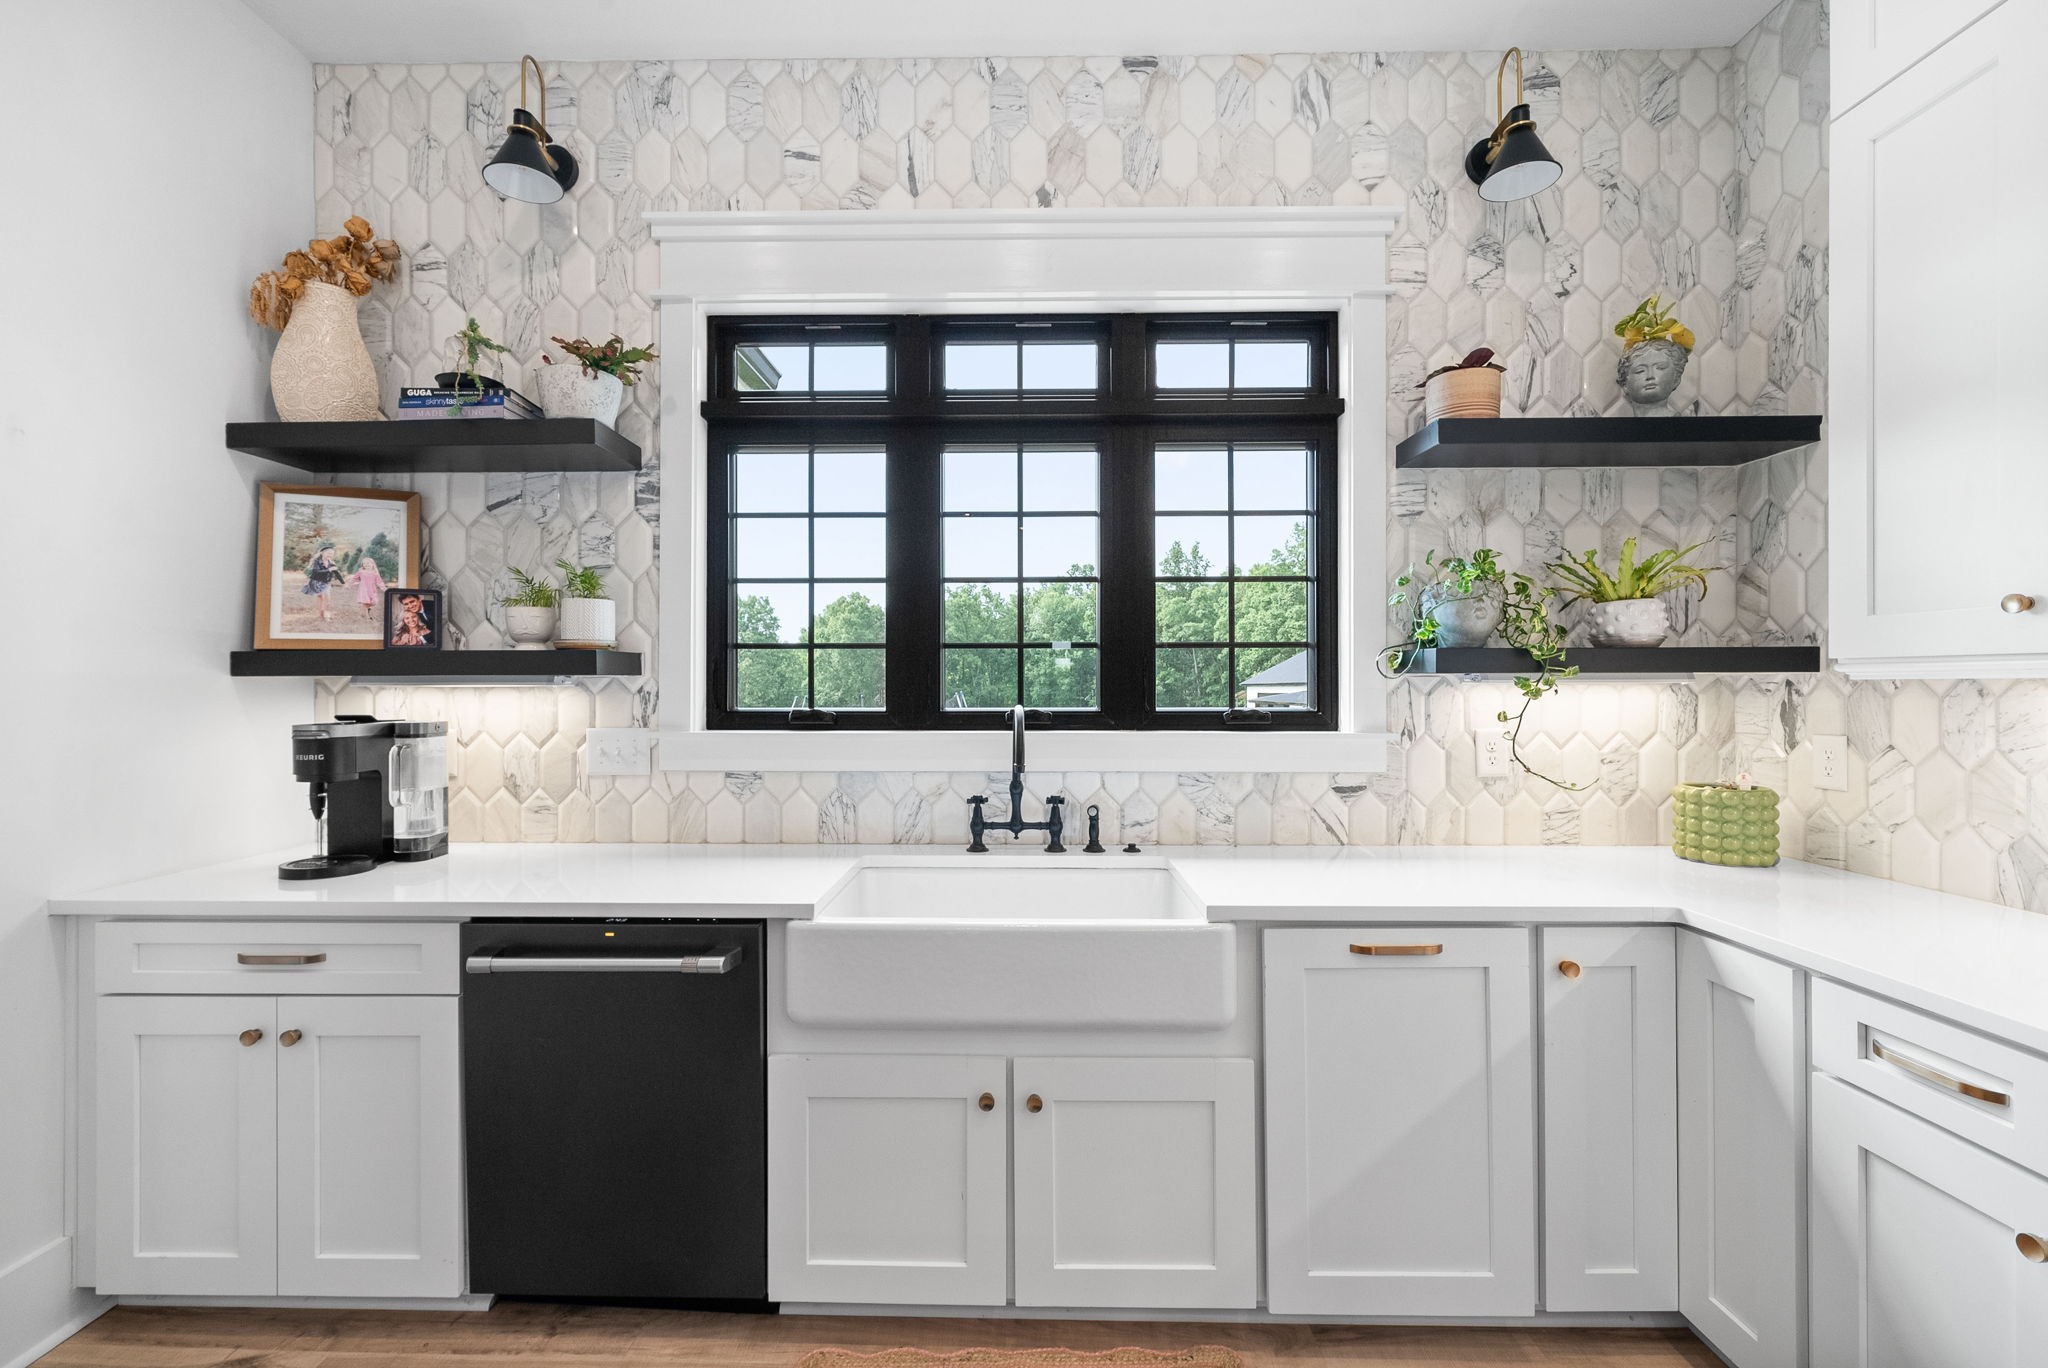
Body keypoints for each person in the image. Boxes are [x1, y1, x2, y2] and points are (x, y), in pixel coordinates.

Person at [300, 543, 342, 622]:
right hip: (316, 582)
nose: (330, 555)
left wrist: (343, 582)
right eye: (328, 553)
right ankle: (324, 615)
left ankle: (323, 614)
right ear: (322, 553)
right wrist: (329, 570)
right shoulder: (317, 561)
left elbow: (337, 573)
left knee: (327, 599)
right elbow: (316, 572)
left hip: (326, 583)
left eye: (332, 554)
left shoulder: (331, 563)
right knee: (322, 598)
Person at [351, 554, 387, 619]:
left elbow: (380, 582)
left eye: (368, 563)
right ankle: (367, 616)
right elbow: (355, 578)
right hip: (363, 589)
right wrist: (350, 583)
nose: (366, 564)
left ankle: (363, 613)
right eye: (364, 563)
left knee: (374, 602)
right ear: (363, 565)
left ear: (373, 564)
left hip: (372, 589)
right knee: (365, 602)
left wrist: (384, 589)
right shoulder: (361, 571)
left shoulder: (375, 573)